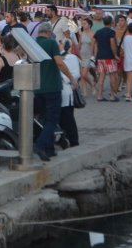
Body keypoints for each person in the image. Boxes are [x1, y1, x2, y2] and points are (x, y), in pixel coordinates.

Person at [34, 22, 79, 161]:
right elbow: (59, 62)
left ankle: (50, 149)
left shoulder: (33, 43)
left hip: (37, 88)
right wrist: (72, 78)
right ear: (48, 33)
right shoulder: (51, 43)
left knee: (44, 118)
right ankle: (40, 145)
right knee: (52, 119)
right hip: (52, 87)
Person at [92, 15, 120, 102]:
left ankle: (99, 95)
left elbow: (94, 43)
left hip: (100, 56)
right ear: (111, 22)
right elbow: (112, 44)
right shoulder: (111, 32)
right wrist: (115, 54)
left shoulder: (98, 32)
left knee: (101, 76)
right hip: (109, 57)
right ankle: (112, 95)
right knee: (112, 75)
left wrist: (94, 55)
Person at [77, 18, 95, 97]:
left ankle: (92, 85)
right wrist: (76, 53)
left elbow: (94, 47)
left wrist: (93, 56)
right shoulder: (82, 33)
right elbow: (79, 44)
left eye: (85, 24)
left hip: (88, 56)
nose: (83, 25)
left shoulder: (93, 34)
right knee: (82, 75)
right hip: (81, 55)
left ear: (89, 25)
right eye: (83, 23)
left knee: (84, 74)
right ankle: (84, 92)